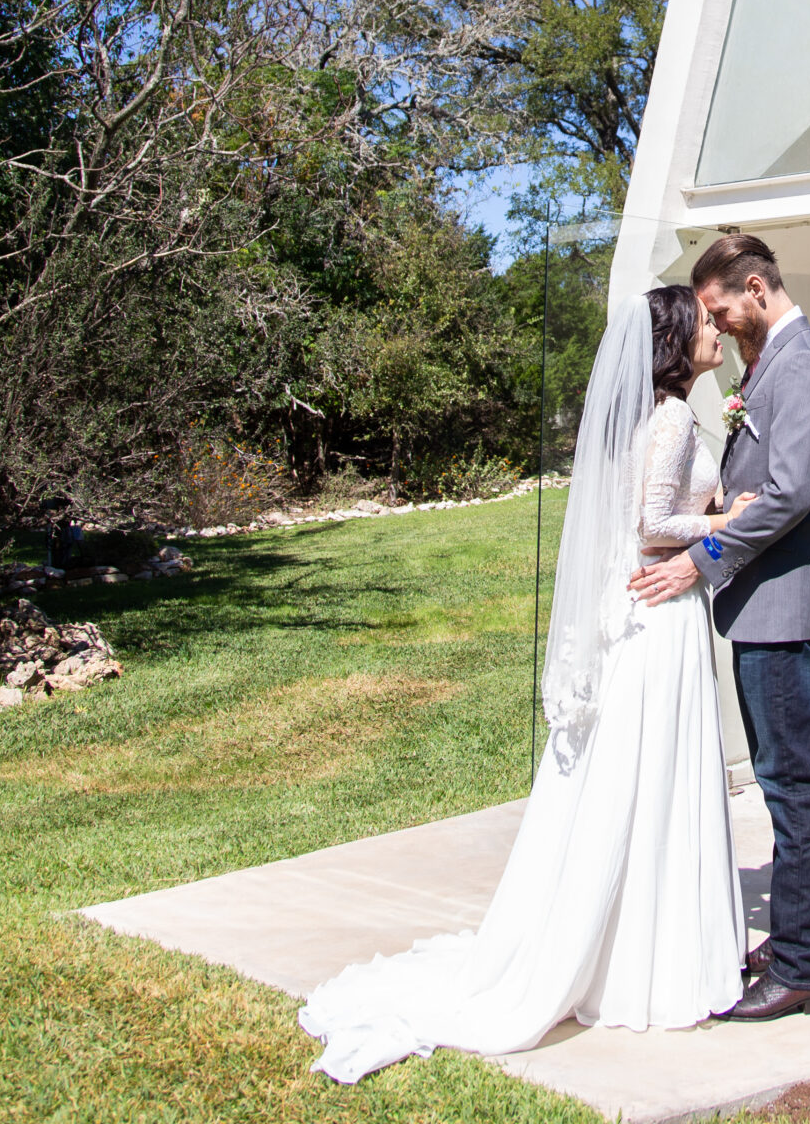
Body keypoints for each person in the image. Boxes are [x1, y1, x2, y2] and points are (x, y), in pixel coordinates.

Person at [299, 285, 751, 1081]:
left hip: (637, 612)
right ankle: (651, 960)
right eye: (706, 323)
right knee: (655, 778)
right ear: (679, 340)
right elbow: (651, 524)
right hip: (659, 609)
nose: (717, 330)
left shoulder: (648, 414)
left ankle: (616, 949)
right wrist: (724, 520)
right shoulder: (674, 414)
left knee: (633, 782)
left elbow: (646, 503)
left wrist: (707, 499)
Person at [630, 231, 810, 1023]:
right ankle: (795, 939)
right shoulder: (765, 368)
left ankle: (809, 966)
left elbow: (787, 495)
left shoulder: (805, 365)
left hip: (781, 611)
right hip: (757, 610)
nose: (714, 324)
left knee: (792, 787)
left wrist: (700, 560)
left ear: (755, 288)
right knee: (780, 781)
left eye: (720, 306)